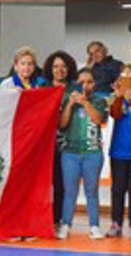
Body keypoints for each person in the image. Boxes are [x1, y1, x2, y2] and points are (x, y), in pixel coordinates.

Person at [57, 69, 108, 240]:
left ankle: (94, 226)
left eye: (89, 82)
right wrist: (70, 104)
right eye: (82, 82)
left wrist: (85, 103)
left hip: (92, 152)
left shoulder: (99, 101)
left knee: (91, 191)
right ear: (77, 83)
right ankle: (65, 224)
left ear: (94, 84)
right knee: (69, 191)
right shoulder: (67, 99)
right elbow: (62, 125)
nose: (85, 85)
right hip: (70, 152)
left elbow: (99, 120)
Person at [43, 51, 79, 226]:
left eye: (63, 66)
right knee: (42, 184)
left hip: (67, 145)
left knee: (61, 184)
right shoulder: (43, 89)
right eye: (56, 66)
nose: (59, 70)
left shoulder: (75, 90)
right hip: (44, 146)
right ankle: (40, 218)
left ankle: (57, 219)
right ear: (50, 69)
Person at [107, 65, 131, 237]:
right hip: (118, 151)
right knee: (118, 188)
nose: (126, 77)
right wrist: (119, 97)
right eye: (123, 75)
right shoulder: (115, 96)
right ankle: (116, 222)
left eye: (130, 75)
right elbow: (115, 114)